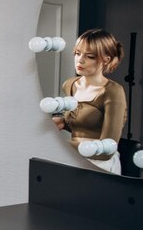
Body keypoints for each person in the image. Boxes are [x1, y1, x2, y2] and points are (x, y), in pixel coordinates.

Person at [52, 28, 127, 174]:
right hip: (71, 158)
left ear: (107, 59)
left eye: (90, 56)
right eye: (77, 53)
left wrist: (59, 145)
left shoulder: (112, 92)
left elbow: (106, 151)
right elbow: (82, 121)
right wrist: (62, 122)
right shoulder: (70, 85)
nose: (80, 60)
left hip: (99, 165)